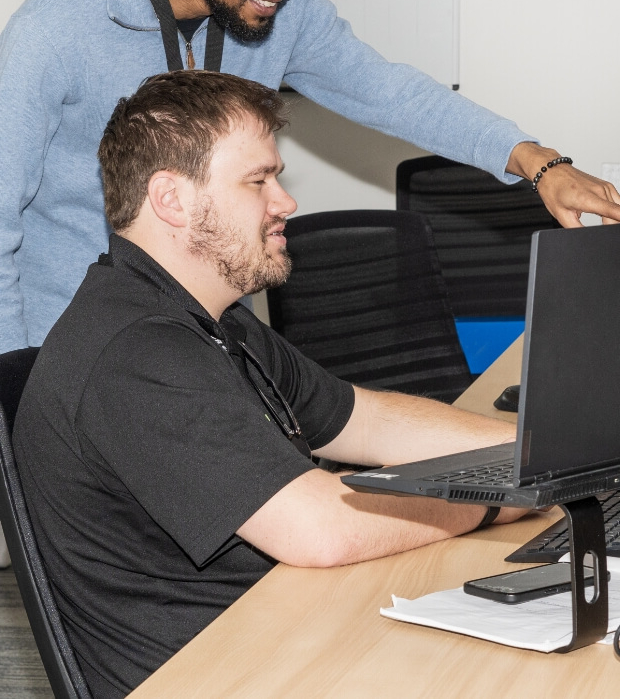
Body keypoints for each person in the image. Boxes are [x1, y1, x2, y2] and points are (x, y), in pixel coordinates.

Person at [1, 0, 619, 358]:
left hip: (211, 337)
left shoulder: (283, 13)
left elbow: (390, 93)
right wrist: (16, 379)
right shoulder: (56, 30)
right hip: (72, 347)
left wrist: (537, 163)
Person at [14, 71, 528, 699]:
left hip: (278, 635)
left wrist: (539, 452)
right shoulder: (136, 352)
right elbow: (318, 528)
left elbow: (364, 420)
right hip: (220, 672)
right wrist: (491, 499)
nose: (285, 202)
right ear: (171, 198)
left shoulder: (214, 319)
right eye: (258, 181)